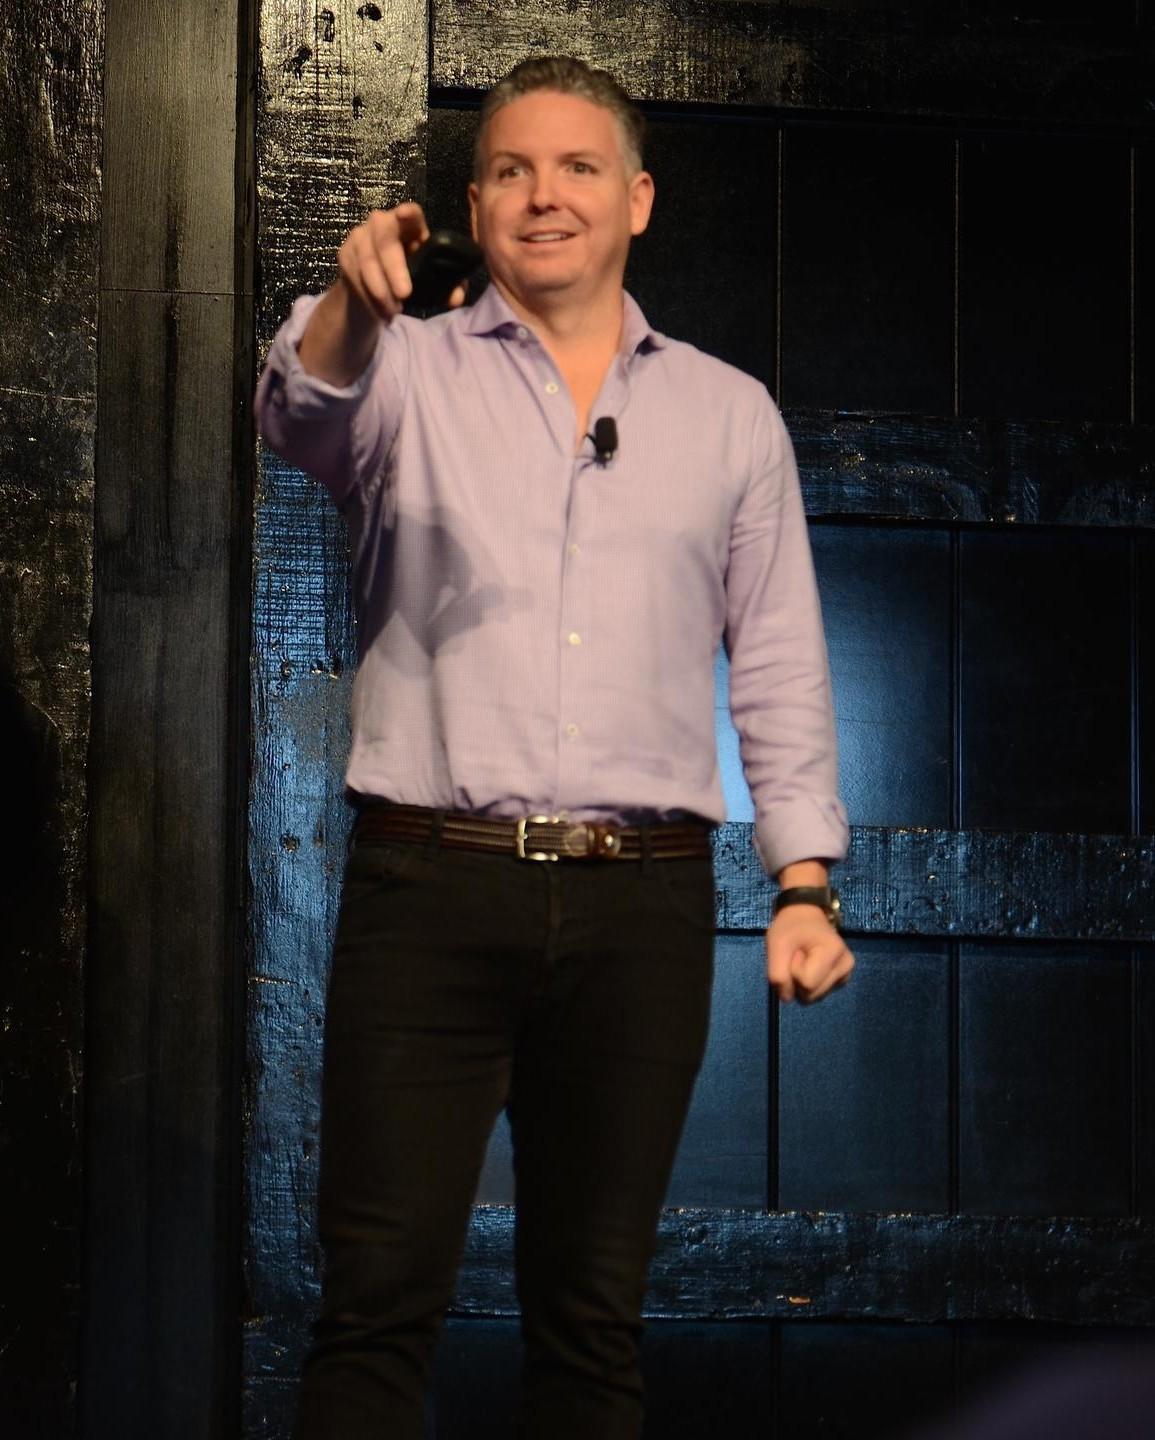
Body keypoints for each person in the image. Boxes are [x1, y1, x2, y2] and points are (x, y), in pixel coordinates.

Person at [256, 54, 854, 1440]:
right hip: (431, 889)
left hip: (641, 906)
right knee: (373, 1311)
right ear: (475, 204)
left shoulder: (726, 413)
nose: (545, 196)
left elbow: (777, 658)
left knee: (591, 1327)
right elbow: (299, 411)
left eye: (579, 168)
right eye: (513, 171)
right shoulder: (403, 370)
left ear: (636, 198)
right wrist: (351, 301)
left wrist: (805, 881)